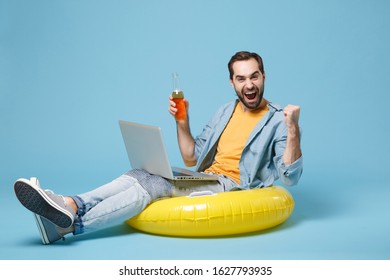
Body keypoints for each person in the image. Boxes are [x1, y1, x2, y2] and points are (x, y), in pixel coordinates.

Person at [14, 51, 303, 244]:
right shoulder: (225, 111)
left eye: (254, 76)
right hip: (208, 176)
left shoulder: (278, 119)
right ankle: (71, 204)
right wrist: (182, 120)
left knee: (154, 187)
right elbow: (191, 156)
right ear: (232, 82)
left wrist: (292, 130)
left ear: (263, 76)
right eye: (241, 78)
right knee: (140, 172)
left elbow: (290, 177)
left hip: (231, 186)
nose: (249, 84)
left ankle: (70, 222)